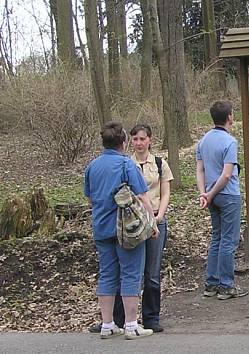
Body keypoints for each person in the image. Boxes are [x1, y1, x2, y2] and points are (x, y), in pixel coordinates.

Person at [88, 124, 174, 334]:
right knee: (130, 274)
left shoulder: (93, 166)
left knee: (107, 275)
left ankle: (108, 324)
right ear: (123, 142)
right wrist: (152, 224)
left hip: (101, 228)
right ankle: (131, 325)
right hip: (126, 230)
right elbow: (144, 197)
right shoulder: (126, 165)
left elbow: (90, 197)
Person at [196, 100, 249, 300]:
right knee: (229, 240)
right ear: (229, 117)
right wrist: (210, 193)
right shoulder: (230, 142)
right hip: (228, 195)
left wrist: (205, 193)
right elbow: (227, 174)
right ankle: (226, 285)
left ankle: (211, 283)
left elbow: (200, 169)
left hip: (212, 195)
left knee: (217, 238)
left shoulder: (203, 140)